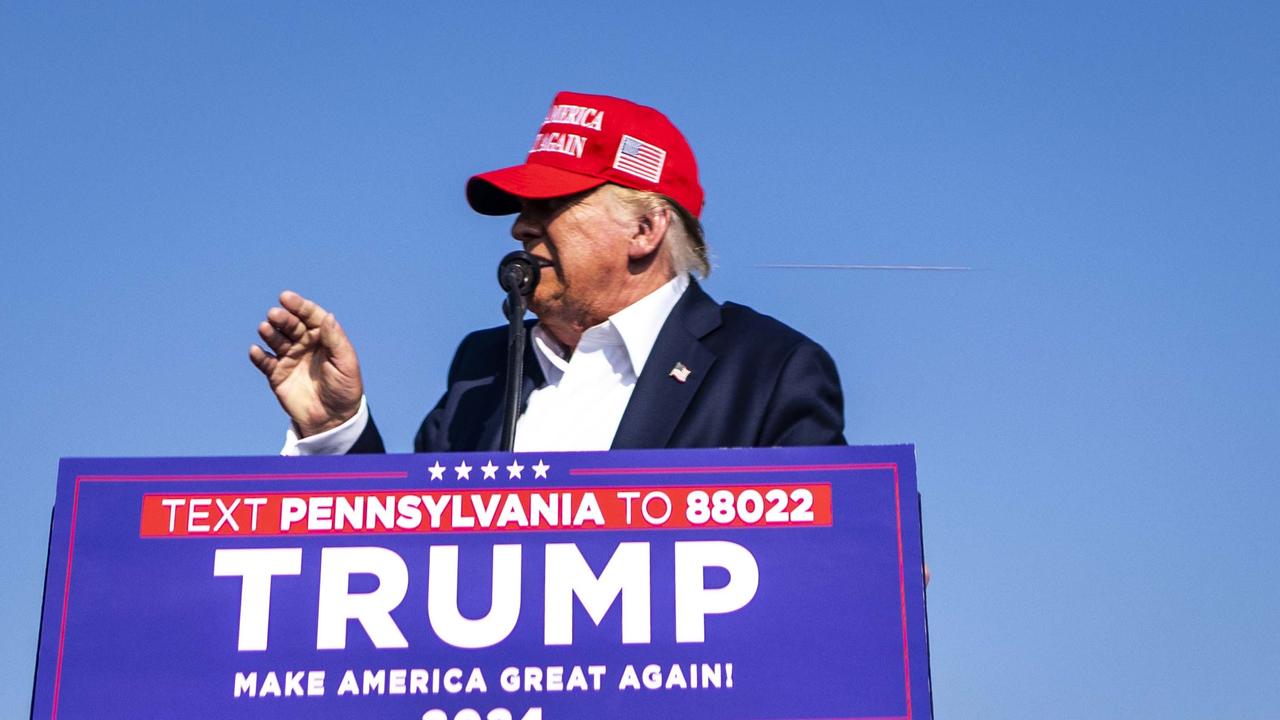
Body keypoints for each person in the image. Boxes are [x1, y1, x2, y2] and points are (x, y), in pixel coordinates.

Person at [250, 91, 846, 454]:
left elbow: (824, 560)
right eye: (520, 211)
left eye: (551, 207)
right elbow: (407, 562)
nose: (520, 229)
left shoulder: (770, 368)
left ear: (645, 230)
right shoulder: (480, 371)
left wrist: (873, 567)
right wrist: (335, 429)